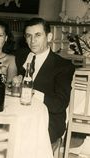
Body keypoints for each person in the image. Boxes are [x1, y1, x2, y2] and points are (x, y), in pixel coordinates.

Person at [15, 17, 75, 150]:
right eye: (29, 36)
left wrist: (32, 92)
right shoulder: (22, 57)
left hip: (49, 121)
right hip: (22, 115)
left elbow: (60, 104)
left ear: (49, 37)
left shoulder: (63, 66)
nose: (33, 41)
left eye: (38, 35)